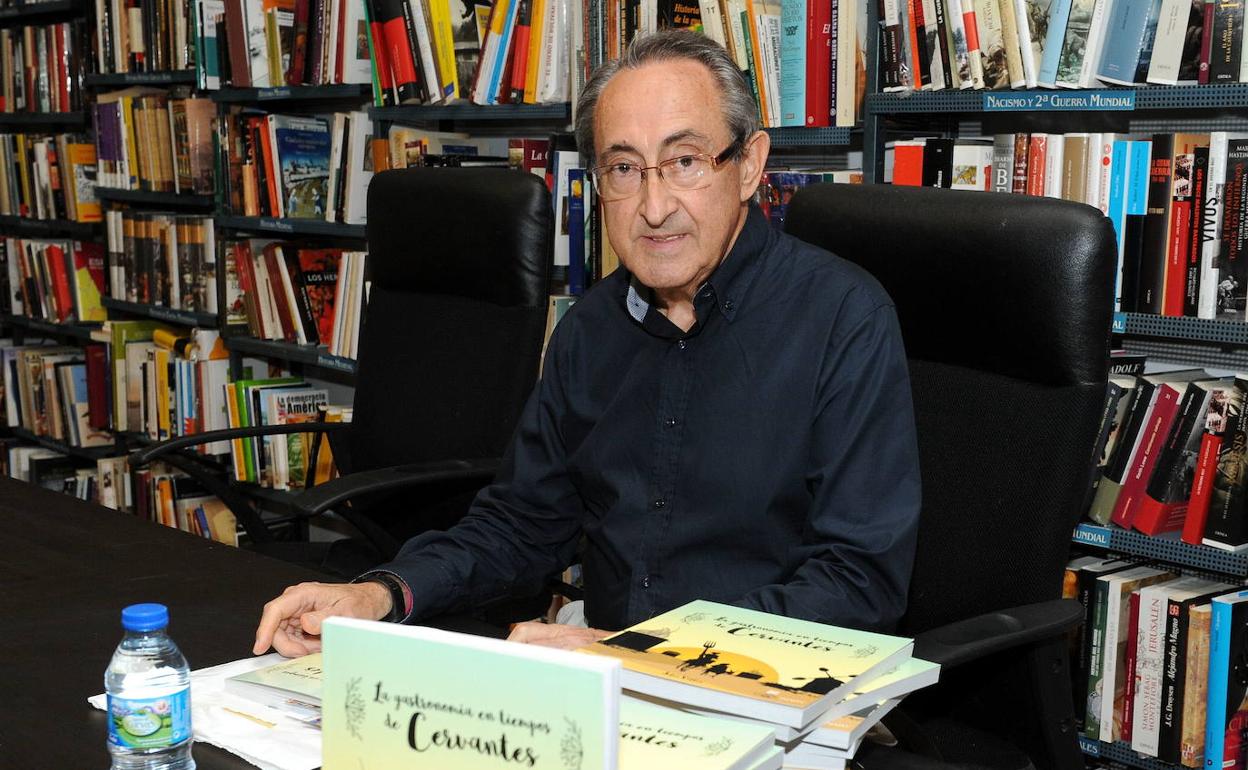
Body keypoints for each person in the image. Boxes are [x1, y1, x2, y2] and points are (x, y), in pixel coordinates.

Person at [253, 30, 921, 658]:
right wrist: (379, 594)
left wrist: (642, 654)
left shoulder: (842, 319)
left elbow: (856, 585)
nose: (653, 206)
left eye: (684, 162)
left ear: (748, 165)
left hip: (774, 696)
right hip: (608, 681)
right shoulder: (591, 329)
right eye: (624, 169)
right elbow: (519, 525)